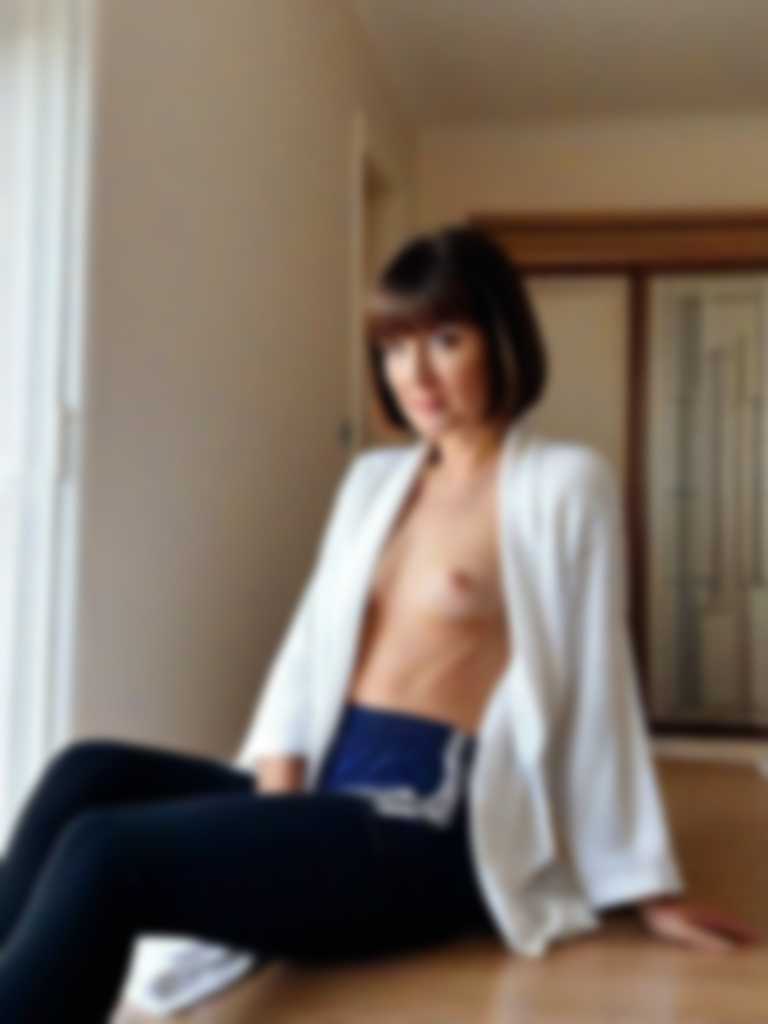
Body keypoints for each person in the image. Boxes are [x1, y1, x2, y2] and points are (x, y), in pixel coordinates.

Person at [0, 226, 760, 1023]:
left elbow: (599, 680)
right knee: (86, 775)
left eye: (445, 340)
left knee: (106, 854)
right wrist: (268, 817)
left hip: (423, 824)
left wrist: (645, 885)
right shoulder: (372, 481)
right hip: (328, 794)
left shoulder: (564, 486)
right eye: (395, 348)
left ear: (500, 339)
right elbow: (306, 653)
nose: (415, 374)